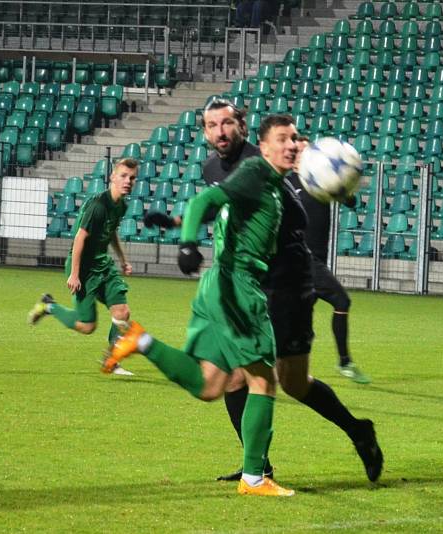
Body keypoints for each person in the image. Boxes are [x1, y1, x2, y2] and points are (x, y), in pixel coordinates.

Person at [143, 101, 383, 485]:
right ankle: (257, 466)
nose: (220, 132)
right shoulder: (212, 169)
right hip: (246, 282)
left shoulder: (267, 157)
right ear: (204, 132)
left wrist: (334, 186)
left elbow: (310, 191)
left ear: (243, 126)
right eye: (211, 126)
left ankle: (358, 431)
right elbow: (227, 208)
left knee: (293, 382)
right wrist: (177, 223)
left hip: (287, 281)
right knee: (236, 379)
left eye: (227, 124)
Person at [104, 113, 298, 497]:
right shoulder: (256, 172)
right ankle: (254, 479)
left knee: (212, 384)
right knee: (263, 379)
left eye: (294, 138)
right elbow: (206, 199)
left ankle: (139, 341)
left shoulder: (271, 183)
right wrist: (188, 242)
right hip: (236, 284)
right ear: (263, 145)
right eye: (283, 139)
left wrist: (179, 226)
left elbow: (221, 210)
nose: (291, 144)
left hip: (220, 285)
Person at [28, 158, 140, 376]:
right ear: (112, 177)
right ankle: (49, 306)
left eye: (132, 178)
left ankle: (112, 359)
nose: (128, 181)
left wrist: (123, 259)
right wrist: (74, 274)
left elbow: (112, 232)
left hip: (103, 265)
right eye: (124, 176)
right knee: (87, 326)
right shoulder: (98, 205)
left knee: (122, 311)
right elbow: (80, 238)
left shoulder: (121, 205)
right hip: (84, 268)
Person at [287, 136, 371, 384]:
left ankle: (291, 368)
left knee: (302, 322)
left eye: (306, 151)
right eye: (299, 152)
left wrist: (345, 188)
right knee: (341, 299)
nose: (303, 155)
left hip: (316, 261)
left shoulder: (323, 182)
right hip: (303, 261)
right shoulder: (288, 184)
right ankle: (344, 362)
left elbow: (351, 202)